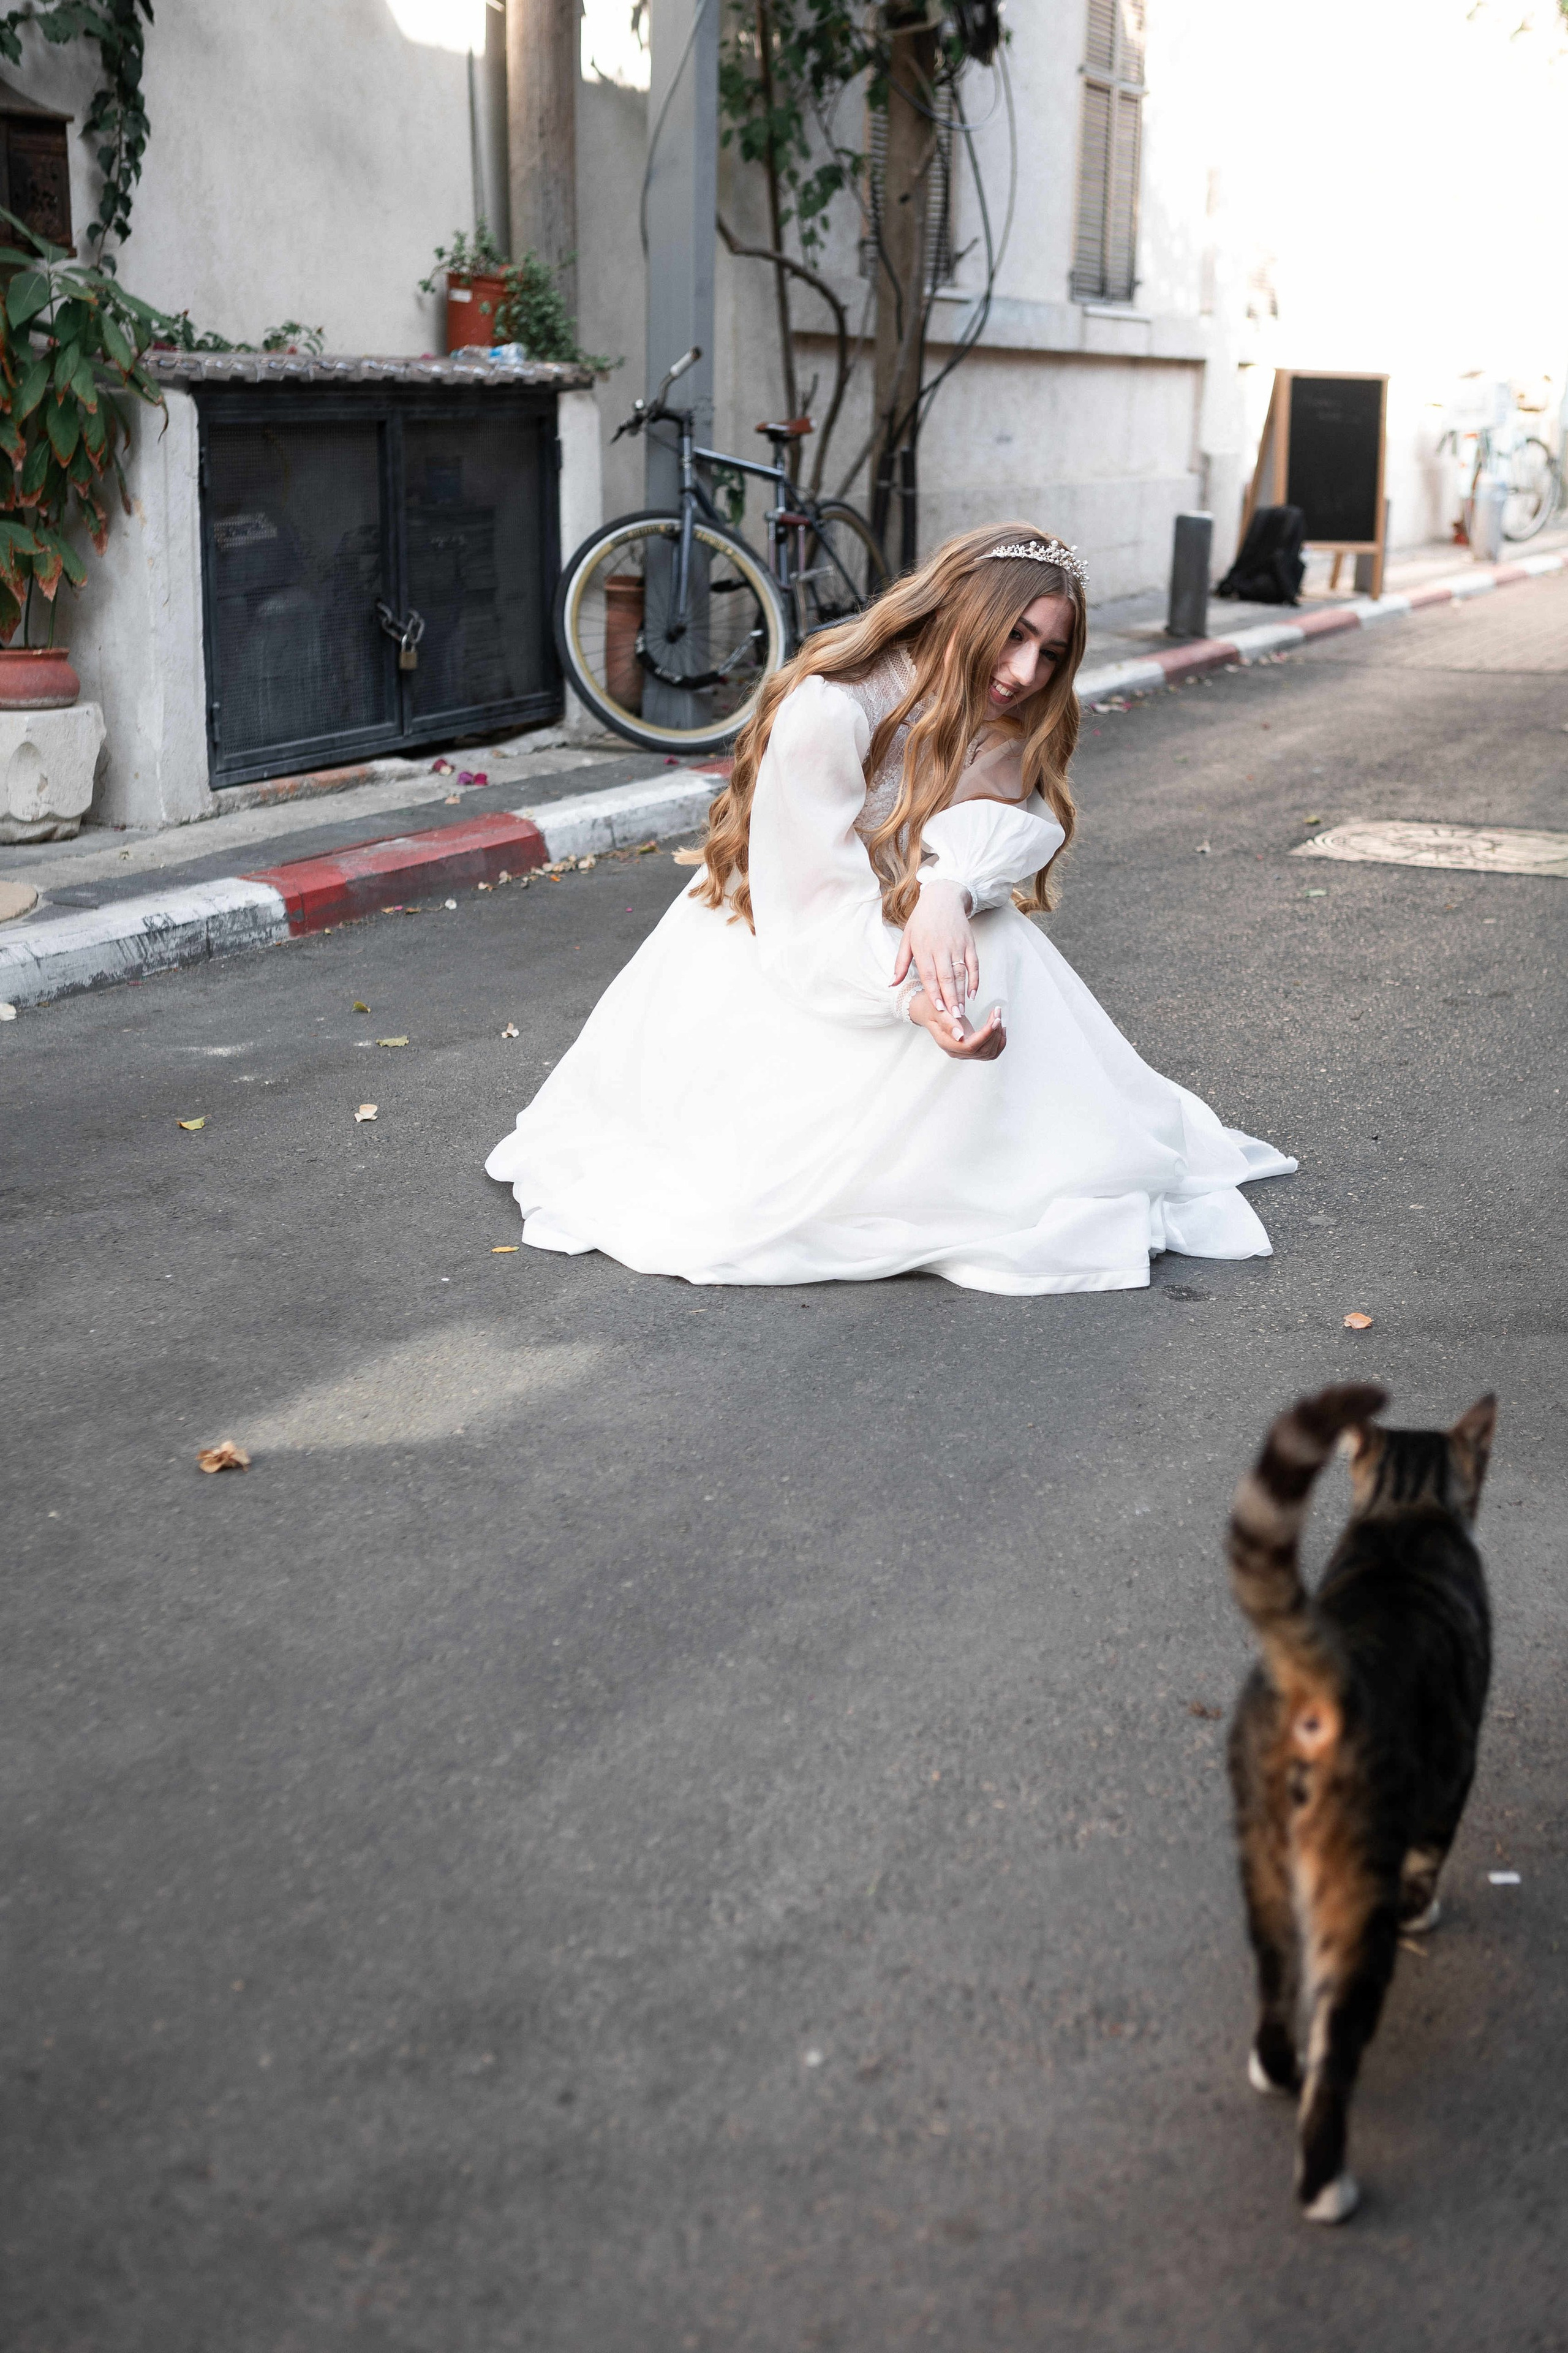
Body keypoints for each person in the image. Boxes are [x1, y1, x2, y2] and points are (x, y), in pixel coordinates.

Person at [486, 523, 1295, 1292]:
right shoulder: (832, 710)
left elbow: (1006, 822)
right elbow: (814, 908)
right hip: (787, 935)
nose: (1023, 672)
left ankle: (1009, 1150)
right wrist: (913, 1001)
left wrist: (947, 889)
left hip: (895, 912)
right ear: (962, 610)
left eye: (1049, 652)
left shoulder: (1002, 716)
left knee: (993, 943)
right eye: (1014, 635)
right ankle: (946, 1158)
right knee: (744, 1194)